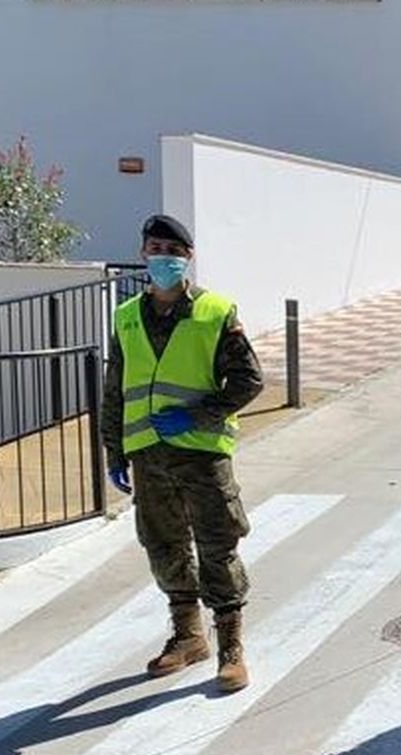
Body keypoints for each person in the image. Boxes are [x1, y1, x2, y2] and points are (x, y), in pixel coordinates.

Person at [101, 214, 264, 694]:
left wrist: (197, 415)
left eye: (172, 252)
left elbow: (249, 380)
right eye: (154, 249)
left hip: (201, 452)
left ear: (187, 258)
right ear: (143, 253)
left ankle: (231, 647)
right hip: (148, 454)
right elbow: (115, 389)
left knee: (217, 545)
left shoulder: (215, 311)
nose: (162, 258)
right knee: (163, 544)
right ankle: (189, 636)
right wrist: (114, 449)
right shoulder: (126, 316)